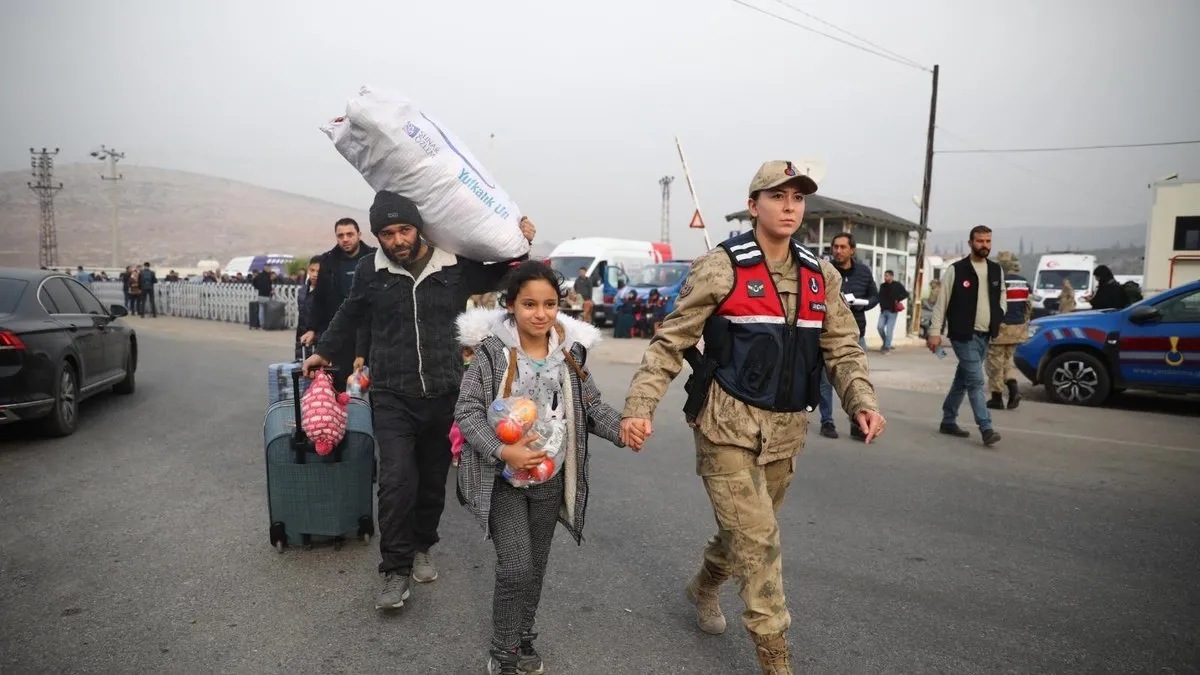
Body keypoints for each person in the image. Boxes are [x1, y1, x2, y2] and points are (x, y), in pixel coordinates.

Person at [620, 161, 884, 674]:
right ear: (753, 204)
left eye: (797, 198)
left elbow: (843, 347)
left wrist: (862, 402)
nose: (789, 207)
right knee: (760, 544)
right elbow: (670, 341)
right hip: (726, 426)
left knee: (742, 534)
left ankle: (703, 585)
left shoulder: (820, 274)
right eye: (777, 196)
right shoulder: (722, 267)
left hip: (786, 432)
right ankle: (775, 660)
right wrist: (639, 407)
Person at [302, 190, 536, 612]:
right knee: (395, 482)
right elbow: (349, 314)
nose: (396, 240)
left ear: (419, 228)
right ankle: (395, 570)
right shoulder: (370, 273)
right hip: (392, 393)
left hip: (445, 392)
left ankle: (423, 544)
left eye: (404, 229)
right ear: (377, 235)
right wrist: (324, 350)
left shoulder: (453, 267)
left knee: (431, 482)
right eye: (386, 233)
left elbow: (502, 273)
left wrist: (520, 241)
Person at [453, 261, 628, 675]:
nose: (540, 313)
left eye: (550, 304)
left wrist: (623, 429)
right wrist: (503, 451)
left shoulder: (571, 353)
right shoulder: (493, 353)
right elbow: (467, 411)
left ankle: (523, 639)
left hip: (550, 482)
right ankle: (502, 652)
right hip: (503, 481)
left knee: (535, 569)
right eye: (529, 304)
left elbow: (590, 405)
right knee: (516, 567)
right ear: (511, 305)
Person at [926, 225, 1006, 446]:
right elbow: (941, 304)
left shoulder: (996, 270)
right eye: (980, 241)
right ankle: (986, 427)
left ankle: (948, 419)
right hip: (963, 335)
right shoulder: (956, 270)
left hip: (985, 335)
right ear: (970, 243)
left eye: (988, 241)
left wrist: (998, 318)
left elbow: (1001, 299)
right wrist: (935, 333)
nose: (985, 245)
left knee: (963, 379)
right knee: (976, 381)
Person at [301, 217, 377, 392]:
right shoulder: (327, 261)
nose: (345, 239)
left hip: (371, 331)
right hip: (340, 330)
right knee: (342, 382)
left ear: (359, 234)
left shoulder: (374, 258)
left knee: (371, 383)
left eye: (349, 234)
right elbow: (319, 298)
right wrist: (312, 328)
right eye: (340, 235)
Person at [818, 232, 878, 441]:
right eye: (835, 247)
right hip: (828, 333)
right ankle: (827, 421)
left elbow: (874, 296)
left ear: (852, 250)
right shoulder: (825, 271)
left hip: (857, 332)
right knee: (825, 382)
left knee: (856, 377)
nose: (838, 251)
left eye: (843, 247)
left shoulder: (863, 272)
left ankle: (858, 421)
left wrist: (864, 303)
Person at [985, 257, 1031, 410]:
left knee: (995, 364)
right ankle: (1013, 391)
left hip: (1000, 328)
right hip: (1017, 328)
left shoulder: (999, 281)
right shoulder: (1024, 282)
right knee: (1007, 361)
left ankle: (997, 398)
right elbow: (1028, 306)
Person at [876, 269, 908, 354]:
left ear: (891, 276)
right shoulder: (882, 286)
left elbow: (906, 294)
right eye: (884, 275)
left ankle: (886, 348)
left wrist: (898, 299)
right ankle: (887, 343)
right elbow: (880, 296)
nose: (885, 277)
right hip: (883, 311)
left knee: (889, 330)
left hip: (892, 311)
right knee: (880, 327)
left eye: (887, 275)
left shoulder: (897, 285)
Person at [296, 256, 321, 359]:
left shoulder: (328, 292)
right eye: (312, 270)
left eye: (318, 271)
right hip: (302, 340)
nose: (315, 274)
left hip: (319, 342)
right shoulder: (302, 291)